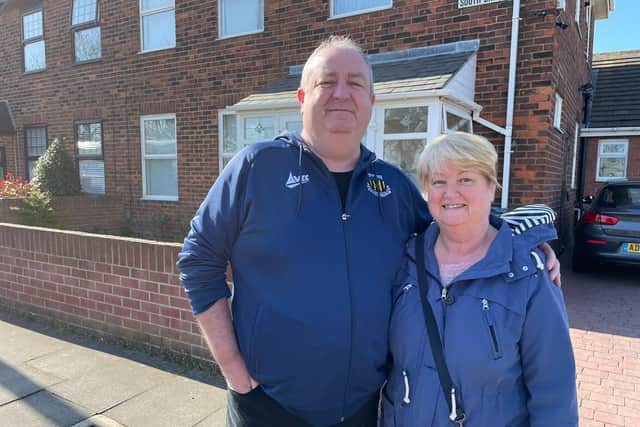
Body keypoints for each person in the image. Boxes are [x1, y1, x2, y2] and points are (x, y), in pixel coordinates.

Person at [177, 36, 561, 427]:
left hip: (362, 411)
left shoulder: (392, 187)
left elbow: (456, 224)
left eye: (356, 83)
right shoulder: (257, 168)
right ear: (302, 97)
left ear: (371, 102)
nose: (341, 93)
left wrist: (523, 236)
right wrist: (234, 371)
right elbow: (198, 259)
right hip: (267, 408)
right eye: (327, 81)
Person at [380, 132, 577, 427]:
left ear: (491, 187)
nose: (450, 192)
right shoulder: (404, 259)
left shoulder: (528, 275)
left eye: (465, 179)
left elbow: (555, 391)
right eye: (438, 181)